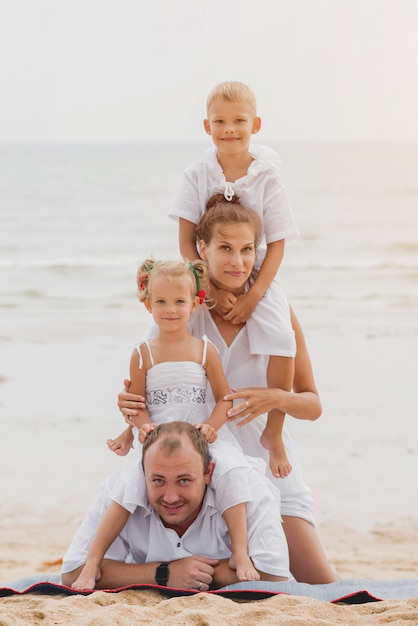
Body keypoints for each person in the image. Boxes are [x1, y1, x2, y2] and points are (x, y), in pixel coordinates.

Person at [118, 197, 338, 585]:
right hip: (195, 471)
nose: (237, 262)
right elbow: (144, 384)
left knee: (319, 583)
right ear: (202, 249)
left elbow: (313, 404)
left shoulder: (275, 312)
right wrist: (128, 405)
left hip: (266, 464)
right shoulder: (182, 309)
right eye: (224, 249)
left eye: (247, 250)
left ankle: (223, 571)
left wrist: (276, 398)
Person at [81, 258, 261, 589]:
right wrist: (143, 426)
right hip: (157, 444)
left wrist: (212, 425)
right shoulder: (143, 353)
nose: (170, 309)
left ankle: (239, 551)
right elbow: (137, 403)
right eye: (161, 301)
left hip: (199, 438)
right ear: (148, 303)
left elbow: (225, 397)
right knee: (128, 486)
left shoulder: (205, 351)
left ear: (195, 303)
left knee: (232, 470)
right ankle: (92, 559)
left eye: (179, 301)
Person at [169, 80, 299, 479]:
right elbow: (186, 240)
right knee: (175, 324)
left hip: (253, 274)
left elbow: (276, 244)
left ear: (255, 124)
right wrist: (204, 288)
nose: (230, 128)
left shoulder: (267, 176)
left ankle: (273, 432)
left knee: (281, 335)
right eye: (220, 121)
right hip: (207, 271)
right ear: (207, 127)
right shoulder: (196, 174)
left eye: (239, 120)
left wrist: (255, 296)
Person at [61, 422, 291, 590]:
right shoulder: (122, 491)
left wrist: (196, 574)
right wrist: (164, 574)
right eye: (158, 480)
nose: (170, 497)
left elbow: (274, 573)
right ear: (143, 474)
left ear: (208, 473)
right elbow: (73, 573)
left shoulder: (246, 488)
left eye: (184, 480)